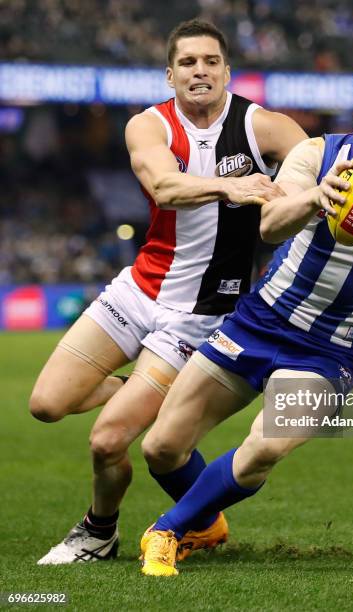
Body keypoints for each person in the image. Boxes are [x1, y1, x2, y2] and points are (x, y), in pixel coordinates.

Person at [137, 56, 353, 576]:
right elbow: (267, 225)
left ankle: (167, 530)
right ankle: (205, 521)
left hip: (331, 350)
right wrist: (317, 196)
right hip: (259, 323)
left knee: (265, 447)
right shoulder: (316, 154)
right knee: (160, 447)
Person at [32, 19, 307, 565]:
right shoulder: (147, 126)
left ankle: (98, 532)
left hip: (199, 315)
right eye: (187, 63)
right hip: (137, 290)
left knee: (109, 440)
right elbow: (162, 186)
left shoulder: (264, 127)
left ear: (228, 71)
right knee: (46, 404)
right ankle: (156, 397)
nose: (199, 71)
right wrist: (233, 185)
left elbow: (315, 165)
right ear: (169, 74)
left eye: (210, 61)